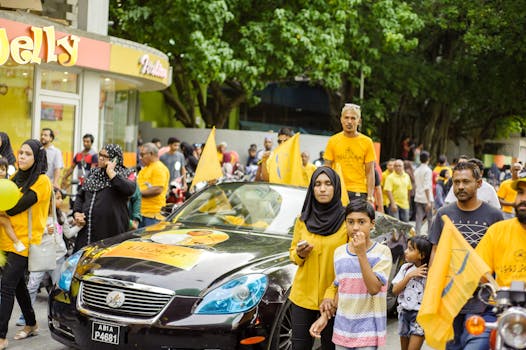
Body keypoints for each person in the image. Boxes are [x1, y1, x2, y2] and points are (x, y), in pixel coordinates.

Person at [428, 161, 503, 350]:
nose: (460, 187)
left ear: (479, 183)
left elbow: (499, 257)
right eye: (456, 182)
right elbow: (435, 253)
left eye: (466, 181)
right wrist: (431, 291)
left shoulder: (494, 215)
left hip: (482, 302)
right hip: (449, 301)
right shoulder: (444, 214)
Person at [309, 199, 392, 349]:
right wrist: (324, 318)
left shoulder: (382, 252)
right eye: (350, 222)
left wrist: (361, 254)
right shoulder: (339, 253)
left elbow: (374, 288)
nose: (355, 227)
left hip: (368, 333)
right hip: (342, 332)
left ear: (372, 224)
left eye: (361, 222)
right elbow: (341, 288)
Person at [0, 139, 52, 349]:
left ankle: (1, 336)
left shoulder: (41, 181)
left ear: (37, 157)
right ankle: (31, 324)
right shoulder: (14, 177)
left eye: (27, 154)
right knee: (18, 285)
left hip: (25, 243)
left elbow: (13, 208)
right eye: (20, 153)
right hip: (8, 239)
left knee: (5, 287)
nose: (21, 157)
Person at [288, 167, 348, 350]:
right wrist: (300, 254)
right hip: (302, 296)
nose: (322, 189)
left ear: (336, 187)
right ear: (312, 189)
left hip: (334, 299)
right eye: (318, 184)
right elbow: (292, 254)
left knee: (330, 347)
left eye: (328, 184)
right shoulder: (302, 219)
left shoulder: (347, 221)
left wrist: (334, 296)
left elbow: (351, 262)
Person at [16, 187, 70, 327]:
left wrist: (80, 226)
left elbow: (68, 234)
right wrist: (45, 231)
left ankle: (60, 316)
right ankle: (26, 315)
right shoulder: (37, 216)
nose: (56, 201)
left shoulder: (60, 216)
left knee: (59, 287)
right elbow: (30, 235)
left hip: (58, 256)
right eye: (54, 198)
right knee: (32, 285)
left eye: (58, 198)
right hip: (40, 256)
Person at [73, 144, 136, 251]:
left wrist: (111, 173)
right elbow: (80, 196)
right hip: (87, 231)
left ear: (115, 158)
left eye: (105, 156)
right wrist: (77, 212)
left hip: (110, 231)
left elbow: (130, 190)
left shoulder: (126, 174)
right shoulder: (93, 173)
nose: (101, 158)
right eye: (100, 155)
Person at [476, 170, 526, 287]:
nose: (523, 199)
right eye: (520, 192)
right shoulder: (497, 231)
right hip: (504, 303)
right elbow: (478, 274)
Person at [324, 103, 376, 205]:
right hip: (337, 190)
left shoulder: (367, 142)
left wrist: (370, 196)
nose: (349, 122)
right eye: (346, 118)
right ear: (341, 119)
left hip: (359, 191)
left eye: (353, 118)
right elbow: (327, 169)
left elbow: (370, 172)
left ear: (359, 121)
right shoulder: (333, 141)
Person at [392, 236, 432, 350]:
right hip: (404, 314)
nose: (405, 251)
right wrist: (410, 275)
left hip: (420, 316)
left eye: (410, 249)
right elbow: (395, 291)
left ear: (422, 255)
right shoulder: (405, 268)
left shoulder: (430, 271)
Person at [137, 142, 169, 227]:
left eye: (142, 154)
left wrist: (137, 193)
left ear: (151, 154)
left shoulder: (159, 168)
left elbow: (158, 189)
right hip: (142, 213)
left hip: (153, 215)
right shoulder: (144, 169)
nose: (140, 157)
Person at [0, 158, 26, 252]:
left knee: (6, 220)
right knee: (6, 221)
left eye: (3, 169)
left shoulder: (8, 184)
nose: (0, 172)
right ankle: (16, 242)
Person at [413, 151, 433, 234]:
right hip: (426, 198)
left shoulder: (416, 170)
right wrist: (428, 201)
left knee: (418, 218)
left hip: (418, 197)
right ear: (428, 159)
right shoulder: (428, 170)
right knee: (430, 218)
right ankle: (430, 235)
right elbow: (427, 186)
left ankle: (417, 235)